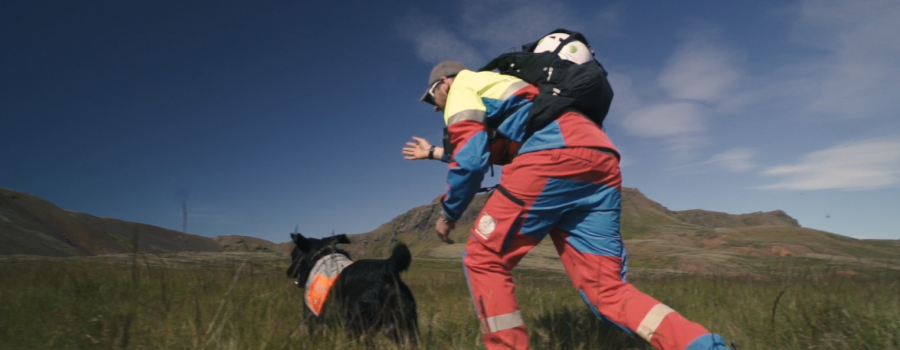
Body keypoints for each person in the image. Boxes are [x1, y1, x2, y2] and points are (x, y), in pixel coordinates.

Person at [405, 60, 730, 350]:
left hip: (550, 155)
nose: (435, 107)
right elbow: (495, 148)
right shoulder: (505, 87)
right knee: (607, 291)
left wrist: (449, 214)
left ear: (444, 82)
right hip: (598, 156)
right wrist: (434, 153)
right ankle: (703, 346)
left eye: (433, 96)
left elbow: (472, 159)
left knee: (482, 258)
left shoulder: (463, 84)